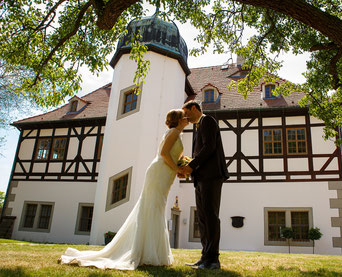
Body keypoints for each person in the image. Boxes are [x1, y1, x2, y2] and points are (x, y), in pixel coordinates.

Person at [59, 109, 188, 270]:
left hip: (165, 174)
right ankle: (146, 252)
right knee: (153, 208)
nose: (187, 119)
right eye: (185, 117)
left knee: (157, 208)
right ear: (179, 120)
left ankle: (153, 251)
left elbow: (174, 156)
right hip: (159, 173)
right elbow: (164, 154)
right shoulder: (174, 133)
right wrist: (177, 168)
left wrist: (181, 167)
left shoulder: (176, 134)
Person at [180, 101, 229, 270]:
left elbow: (209, 147)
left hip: (212, 176)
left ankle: (213, 260)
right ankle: (205, 257)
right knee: (202, 219)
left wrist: (191, 165)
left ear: (194, 108)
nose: (185, 117)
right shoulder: (199, 127)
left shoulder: (208, 120)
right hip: (201, 178)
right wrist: (189, 167)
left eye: (186, 112)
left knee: (211, 217)